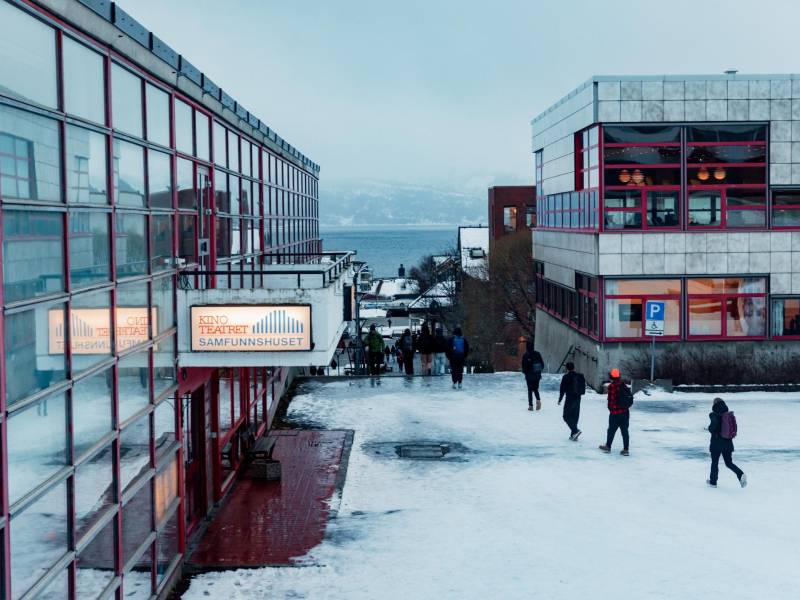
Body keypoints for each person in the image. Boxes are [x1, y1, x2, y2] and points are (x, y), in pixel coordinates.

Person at [707, 398, 747, 488]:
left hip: (716, 443)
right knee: (729, 463)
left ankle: (713, 483)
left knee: (715, 463)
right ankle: (740, 474)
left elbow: (713, 426)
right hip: (727, 443)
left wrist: (710, 429)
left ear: (714, 404)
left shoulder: (713, 414)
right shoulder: (728, 414)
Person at [599, 368, 632, 455]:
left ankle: (608, 446)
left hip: (615, 413)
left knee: (611, 430)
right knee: (625, 431)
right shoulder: (623, 385)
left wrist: (611, 409)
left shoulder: (612, 386)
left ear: (611, 377)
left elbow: (611, 400)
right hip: (625, 412)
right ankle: (626, 449)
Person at [558, 362, 585, 440]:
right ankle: (574, 435)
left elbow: (562, 389)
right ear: (574, 367)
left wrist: (560, 399)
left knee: (566, 416)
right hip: (578, 397)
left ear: (567, 368)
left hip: (570, 398)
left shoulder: (566, 377)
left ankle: (575, 431)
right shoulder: (580, 376)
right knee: (574, 416)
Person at [520, 341, 544, 411]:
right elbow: (542, 364)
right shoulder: (537, 353)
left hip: (529, 375)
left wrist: (525, 372)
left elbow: (523, 366)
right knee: (536, 389)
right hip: (537, 375)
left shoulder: (526, 355)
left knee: (530, 390)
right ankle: (538, 400)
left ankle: (530, 406)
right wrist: (539, 372)